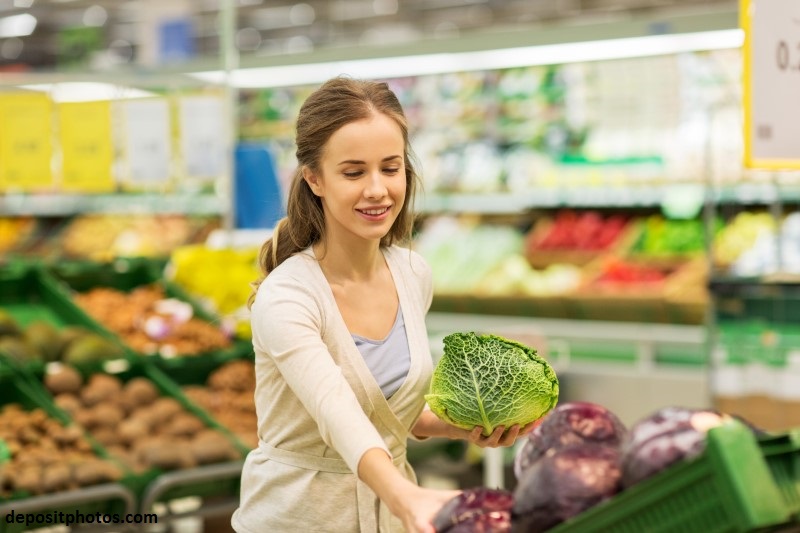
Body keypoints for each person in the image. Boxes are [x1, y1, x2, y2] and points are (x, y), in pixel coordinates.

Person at [232, 77, 535, 533]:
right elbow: (337, 412)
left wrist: (463, 425)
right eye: (353, 173)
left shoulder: (413, 274)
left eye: (390, 168)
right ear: (314, 178)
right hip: (297, 520)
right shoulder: (287, 297)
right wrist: (405, 494)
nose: (377, 190)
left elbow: (392, 412)